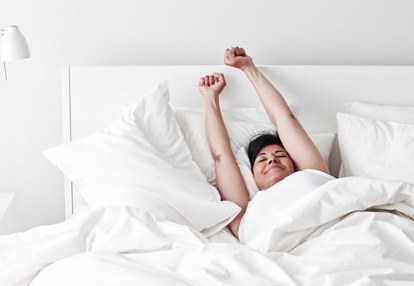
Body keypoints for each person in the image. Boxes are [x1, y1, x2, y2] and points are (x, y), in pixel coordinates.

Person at [198, 47, 330, 239]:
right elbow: (221, 157)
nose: (272, 161)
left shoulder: (315, 174)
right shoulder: (243, 214)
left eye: (280, 155)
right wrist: (210, 99)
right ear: (252, 176)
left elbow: (285, 118)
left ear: (295, 164)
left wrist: (248, 68)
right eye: (262, 159)